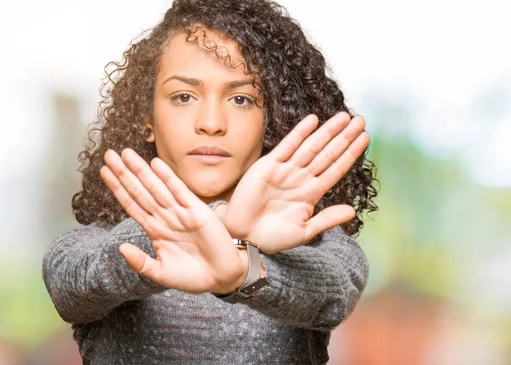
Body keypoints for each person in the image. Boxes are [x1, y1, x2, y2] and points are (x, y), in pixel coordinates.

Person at [42, 0, 379, 363]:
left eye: (241, 99)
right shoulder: (88, 247)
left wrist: (242, 270)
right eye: (183, 97)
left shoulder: (324, 247)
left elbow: (332, 297)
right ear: (147, 119)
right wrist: (220, 224)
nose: (212, 122)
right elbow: (71, 285)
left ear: (272, 121)